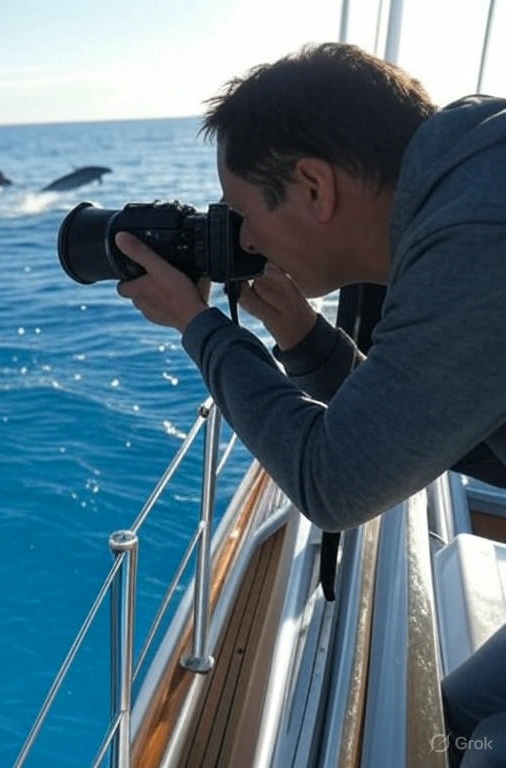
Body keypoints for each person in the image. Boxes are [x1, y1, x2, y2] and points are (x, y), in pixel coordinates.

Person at [114, 43, 506, 766]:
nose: (245, 240)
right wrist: (304, 339)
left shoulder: (476, 239)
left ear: (314, 187)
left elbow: (334, 483)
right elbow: (450, 429)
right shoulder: (468, 172)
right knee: (450, 726)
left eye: (243, 214)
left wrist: (196, 326)